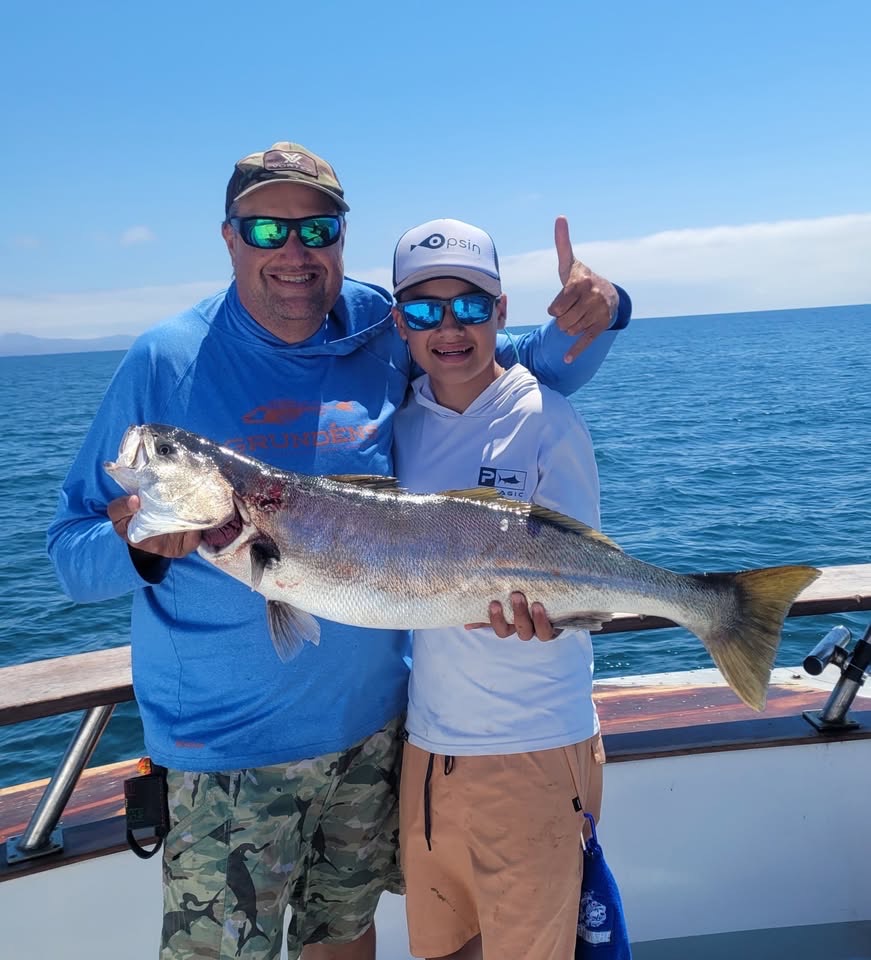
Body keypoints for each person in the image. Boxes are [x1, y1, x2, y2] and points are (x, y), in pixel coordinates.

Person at [47, 141, 630, 960]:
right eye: (266, 229)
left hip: (375, 738)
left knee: (346, 942)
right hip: (226, 755)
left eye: (316, 229)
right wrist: (140, 544)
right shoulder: (164, 361)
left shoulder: (378, 327)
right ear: (228, 236)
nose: (294, 251)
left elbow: (520, 369)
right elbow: (70, 555)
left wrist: (605, 309)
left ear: (342, 237)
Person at [391, 218, 607, 960]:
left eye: (471, 307)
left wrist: (556, 612)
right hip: (426, 747)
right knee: (445, 951)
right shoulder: (397, 425)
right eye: (426, 310)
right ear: (400, 323)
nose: (449, 328)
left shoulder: (546, 417)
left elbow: (581, 569)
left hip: (533, 743)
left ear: (502, 312)